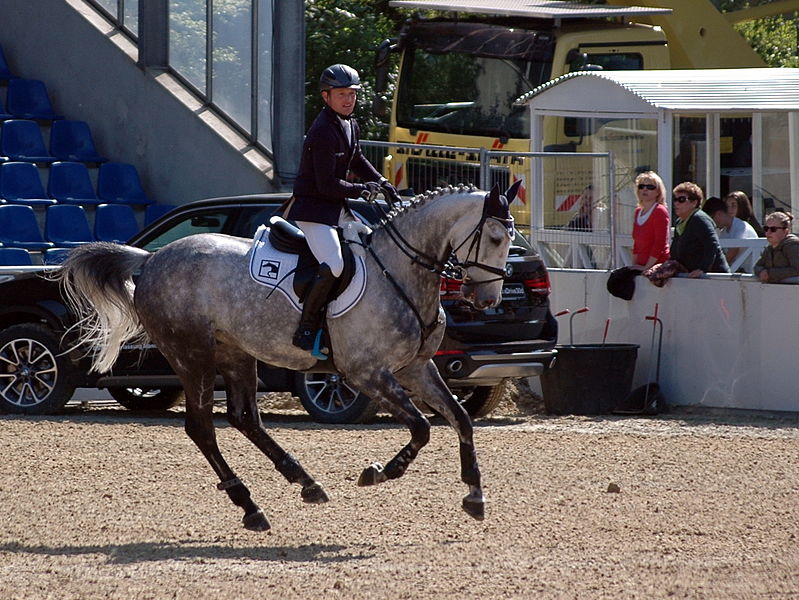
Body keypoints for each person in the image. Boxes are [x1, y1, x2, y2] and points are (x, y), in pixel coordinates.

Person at [286, 63, 398, 352]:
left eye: (352, 94)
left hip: (335, 208)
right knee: (335, 264)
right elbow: (325, 185)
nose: (348, 100)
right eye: (341, 94)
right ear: (326, 97)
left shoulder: (350, 124)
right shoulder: (322, 130)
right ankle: (307, 328)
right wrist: (361, 189)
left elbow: (357, 158)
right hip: (313, 211)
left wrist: (382, 181)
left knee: (367, 255)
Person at [644, 182, 729, 286]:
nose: (676, 204)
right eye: (675, 199)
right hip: (693, 279)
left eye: (681, 200)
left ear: (694, 203)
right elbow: (675, 252)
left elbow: (712, 245)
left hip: (714, 278)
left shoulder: (700, 219)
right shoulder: (680, 222)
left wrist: (702, 269)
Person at [630, 171, 670, 271]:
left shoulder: (659, 211)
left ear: (658, 192)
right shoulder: (638, 211)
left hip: (657, 268)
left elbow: (659, 243)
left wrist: (647, 268)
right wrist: (634, 266)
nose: (645, 189)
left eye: (650, 187)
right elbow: (636, 244)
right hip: (640, 266)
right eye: (641, 186)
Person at [702, 195, 757, 267]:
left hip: (748, 274)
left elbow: (733, 251)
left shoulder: (741, 227)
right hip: (735, 274)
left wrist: (712, 268)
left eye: (711, 219)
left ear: (719, 214)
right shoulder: (723, 232)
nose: (711, 223)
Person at [754, 211, 799, 283]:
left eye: (773, 229)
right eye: (766, 228)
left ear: (785, 231)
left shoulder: (793, 246)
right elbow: (757, 266)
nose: (768, 233)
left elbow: (797, 269)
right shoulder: (769, 248)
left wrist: (770, 273)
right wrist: (761, 271)